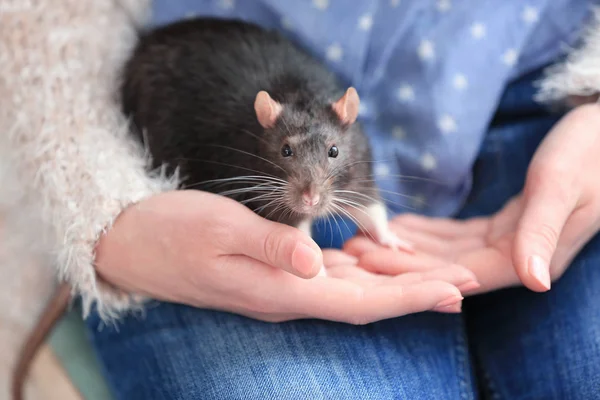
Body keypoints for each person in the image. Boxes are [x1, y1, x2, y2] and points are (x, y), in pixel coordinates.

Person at [2, 0, 600, 398]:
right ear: (268, 132)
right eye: (291, 162)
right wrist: (106, 208)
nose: (312, 188)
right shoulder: (256, 153)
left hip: (555, 100)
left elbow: (359, 195)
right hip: (153, 156)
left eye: (328, 165)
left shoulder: (348, 153)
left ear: (348, 124)